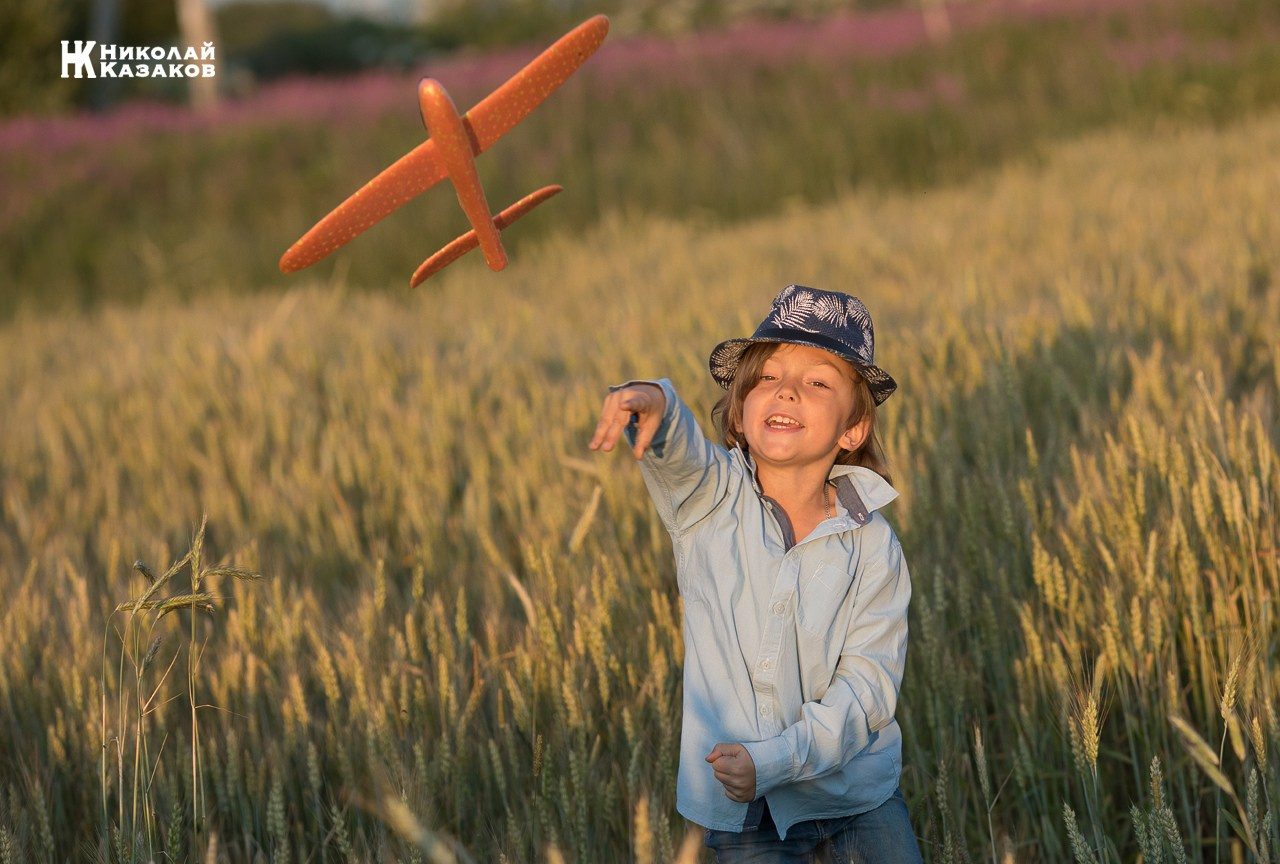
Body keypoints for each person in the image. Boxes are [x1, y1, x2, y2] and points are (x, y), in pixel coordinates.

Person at [589, 285, 922, 862]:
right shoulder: (708, 501)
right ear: (741, 413)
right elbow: (680, 451)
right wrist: (655, 402)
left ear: (853, 429)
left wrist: (774, 761)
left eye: (818, 381)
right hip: (745, 816)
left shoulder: (873, 546)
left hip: (857, 799)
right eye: (767, 376)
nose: (787, 388)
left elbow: (866, 689)